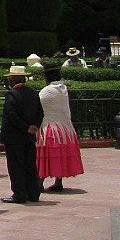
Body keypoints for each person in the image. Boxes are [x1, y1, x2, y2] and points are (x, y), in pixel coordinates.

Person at [37, 64, 83, 192]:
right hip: (64, 127)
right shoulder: (63, 89)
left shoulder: (46, 91)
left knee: (45, 156)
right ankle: (58, 181)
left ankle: (39, 182)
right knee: (59, 155)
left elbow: (39, 106)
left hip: (49, 126)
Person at [1, 64, 43, 203]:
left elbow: (11, 116)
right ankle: (33, 192)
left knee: (16, 166)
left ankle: (19, 194)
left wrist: (26, 127)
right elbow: (40, 113)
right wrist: (33, 126)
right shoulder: (33, 92)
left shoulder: (12, 94)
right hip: (29, 137)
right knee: (30, 165)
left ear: (13, 79)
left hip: (14, 137)